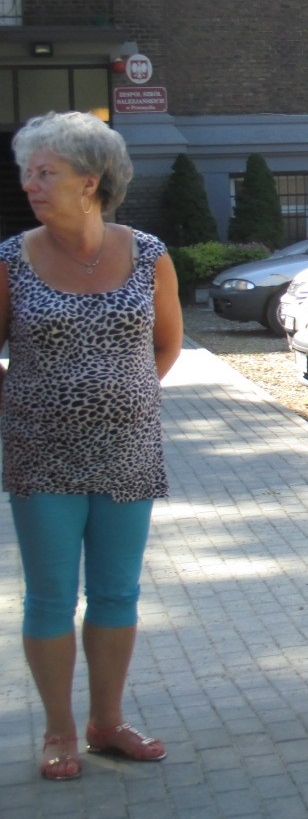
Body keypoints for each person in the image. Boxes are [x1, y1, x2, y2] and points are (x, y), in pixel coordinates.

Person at [2, 112, 182, 781]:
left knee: (116, 593)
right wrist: (28, 408)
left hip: (128, 452)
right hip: (40, 455)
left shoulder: (149, 253)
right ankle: (59, 730)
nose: (29, 185)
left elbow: (166, 345)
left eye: (44, 173)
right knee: (51, 596)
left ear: (90, 181)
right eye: (27, 173)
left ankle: (107, 722)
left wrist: (121, 399)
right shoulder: (11, 260)